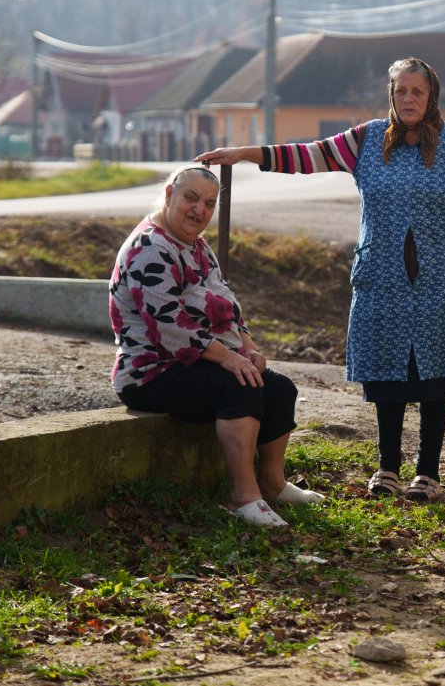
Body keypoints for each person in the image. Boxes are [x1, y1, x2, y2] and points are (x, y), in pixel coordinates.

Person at [196, 56, 445, 503]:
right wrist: (245, 154)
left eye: (417, 91)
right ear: (391, 95)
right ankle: (388, 467)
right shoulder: (367, 140)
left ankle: (428, 472)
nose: (409, 99)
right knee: (389, 372)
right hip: (383, 278)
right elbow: (307, 156)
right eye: (401, 91)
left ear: (432, 96)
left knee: (437, 374)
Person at [108, 164, 324, 527]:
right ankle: (243, 497)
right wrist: (228, 358)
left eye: (209, 204)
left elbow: (227, 304)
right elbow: (169, 326)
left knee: (278, 387)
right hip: (151, 373)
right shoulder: (149, 247)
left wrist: (248, 348)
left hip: (194, 365)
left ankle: (273, 484)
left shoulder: (197, 246)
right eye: (191, 198)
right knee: (239, 384)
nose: (199, 210)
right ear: (169, 195)